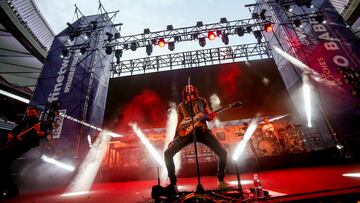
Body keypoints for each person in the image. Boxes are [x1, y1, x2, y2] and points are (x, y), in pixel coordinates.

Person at [164, 84, 228, 192]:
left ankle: (221, 180)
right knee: (167, 153)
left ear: (194, 90)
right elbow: (179, 123)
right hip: (186, 133)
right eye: (187, 87)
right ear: (184, 91)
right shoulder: (180, 106)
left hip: (202, 130)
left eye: (191, 86)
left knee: (223, 153)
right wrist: (174, 138)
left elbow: (208, 116)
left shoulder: (202, 101)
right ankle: (173, 184)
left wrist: (211, 116)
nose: (189, 87)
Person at [0, 106, 45, 200]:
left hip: (24, 147)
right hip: (14, 145)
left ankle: (12, 190)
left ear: (37, 113)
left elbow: (42, 135)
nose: (31, 114)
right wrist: (11, 134)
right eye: (29, 113)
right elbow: (14, 131)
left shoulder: (40, 123)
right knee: (2, 166)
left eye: (33, 112)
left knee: (2, 164)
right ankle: (8, 189)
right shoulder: (24, 122)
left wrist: (39, 132)